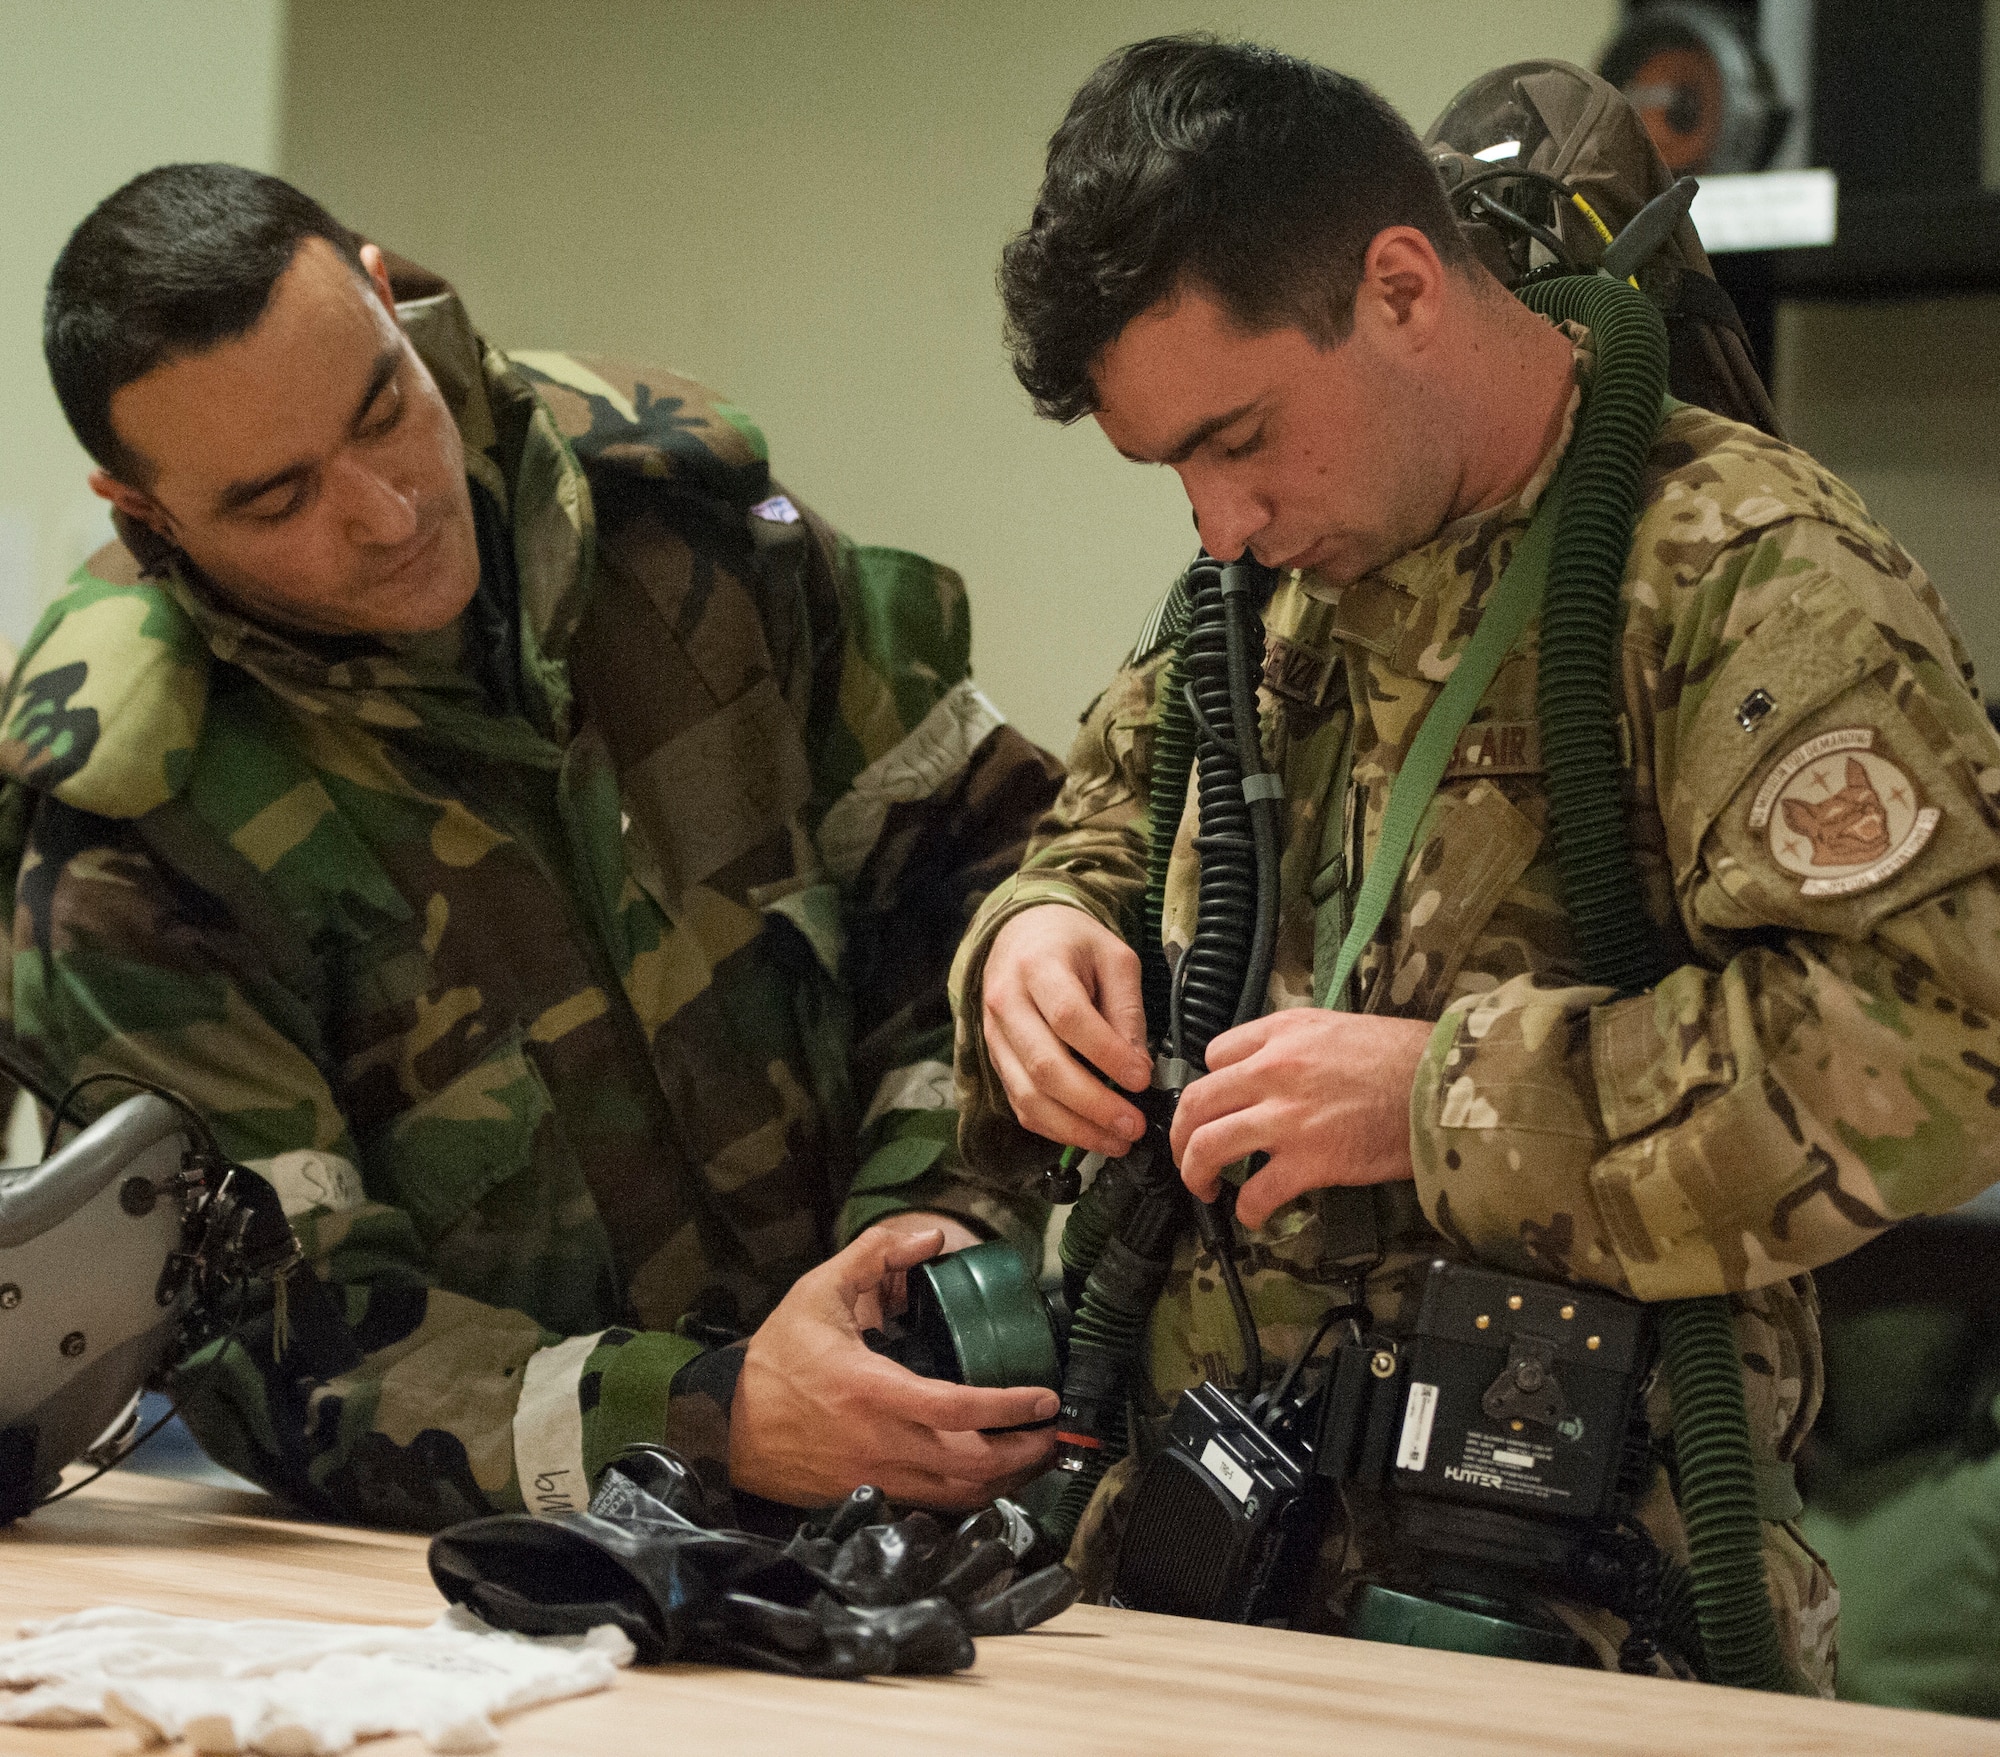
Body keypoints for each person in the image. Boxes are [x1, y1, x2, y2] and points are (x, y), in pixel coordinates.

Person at [948, 36, 2000, 1689]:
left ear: (1401, 287)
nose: (1216, 523)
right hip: (1207, 1577)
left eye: (1240, 437)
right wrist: (1035, 941)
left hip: (1573, 1622)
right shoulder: (1274, 576)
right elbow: (1108, 814)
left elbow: (1933, 1047)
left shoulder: (1745, 578)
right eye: (1173, 471)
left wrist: (1439, 1099)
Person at [6, 163, 1066, 1530]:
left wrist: (920, 1239)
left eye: (386, 408)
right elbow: (287, 1336)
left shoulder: (681, 519)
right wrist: (715, 1412)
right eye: (277, 501)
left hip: (938, 1451)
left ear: (391, 302)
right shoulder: (136, 816)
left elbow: (983, 875)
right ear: (141, 511)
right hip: (532, 1572)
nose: (386, 512)